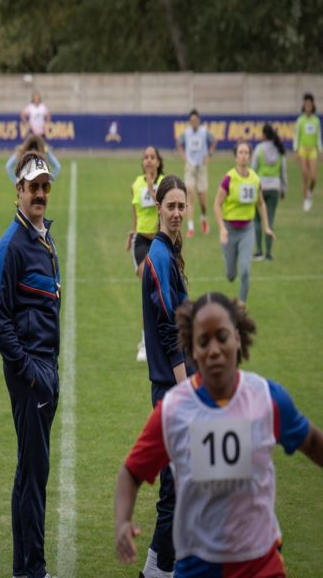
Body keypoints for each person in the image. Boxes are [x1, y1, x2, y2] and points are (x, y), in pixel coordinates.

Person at [115, 292, 323, 577]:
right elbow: (131, 472)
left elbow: (312, 441)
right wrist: (122, 522)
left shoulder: (267, 398)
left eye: (222, 337)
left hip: (261, 566)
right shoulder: (173, 411)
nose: (213, 350)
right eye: (203, 341)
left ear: (237, 338)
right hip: (196, 567)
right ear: (191, 349)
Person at [0, 151, 60, 578]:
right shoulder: (11, 245)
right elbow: (0, 322)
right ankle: (34, 570)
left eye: (44, 187)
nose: (39, 193)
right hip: (31, 375)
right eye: (32, 186)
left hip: (45, 368)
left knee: (29, 472)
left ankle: (23, 570)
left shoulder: (42, 236)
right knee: (35, 477)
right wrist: (31, 373)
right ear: (18, 189)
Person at [139, 174, 191, 578]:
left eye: (181, 206)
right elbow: (168, 330)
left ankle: (161, 565)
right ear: (158, 208)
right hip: (171, 388)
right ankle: (158, 568)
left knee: (182, 481)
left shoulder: (170, 252)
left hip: (177, 384)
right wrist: (186, 388)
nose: (176, 213)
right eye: (170, 206)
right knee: (174, 484)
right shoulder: (157, 257)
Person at [214, 141, 275, 302]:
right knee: (231, 275)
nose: (243, 155)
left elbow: (261, 203)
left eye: (246, 152)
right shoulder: (228, 179)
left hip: (247, 230)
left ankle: (241, 306)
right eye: (240, 152)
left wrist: (266, 227)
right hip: (229, 230)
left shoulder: (255, 179)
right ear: (236, 157)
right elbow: (217, 204)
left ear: (250, 156)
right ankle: (228, 256)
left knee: (245, 271)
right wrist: (222, 228)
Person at [127, 146, 165, 362]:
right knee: (148, 287)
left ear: (158, 162)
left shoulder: (166, 183)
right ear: (143, 162)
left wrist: (152, 188)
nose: (149, 160)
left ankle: (160, 336)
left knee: (160, 293)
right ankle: (145, 341)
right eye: (146, 157)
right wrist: (131, 232)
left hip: (160, 241)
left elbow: (163, 208)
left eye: (153, 157)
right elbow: (136, 212)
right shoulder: (136, 184)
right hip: (141, 241)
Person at [175, 109, 217, 237]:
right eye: (192, 120)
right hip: (190, 166)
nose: (194, 122)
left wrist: (209, 154)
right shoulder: (186, 133)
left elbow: (214, 140)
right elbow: (178, 142)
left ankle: (204, 218)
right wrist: (183, 156)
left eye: (195, 120)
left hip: (201, 167)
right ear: (189, 121)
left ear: (199, 120)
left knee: (202, 199)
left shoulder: (204, 132)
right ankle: (191, 227)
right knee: (190, 194)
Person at [252, 124, 287, 261]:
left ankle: (259, 251)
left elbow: (253, 169)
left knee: (257, 220)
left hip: (260, 186)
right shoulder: (279, 149)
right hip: (274, 188)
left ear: (264, 135)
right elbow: (283, 172)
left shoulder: (259, 149)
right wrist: (284, 188)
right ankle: (268, 254)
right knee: (270, 220)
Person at [293, 93, 321, 211]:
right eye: (306, 105)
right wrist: (296, 150)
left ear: (312, 106)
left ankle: (310, 192)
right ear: (304, 107)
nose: (308, 107)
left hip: (312, 150)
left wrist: (320, 150)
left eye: (310, 105)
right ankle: (305, 200)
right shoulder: (300, 120)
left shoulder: (316, 120)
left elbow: (318, 136)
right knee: (305, 175)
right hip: (303, 149)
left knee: (313, 177)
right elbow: (297, 136)